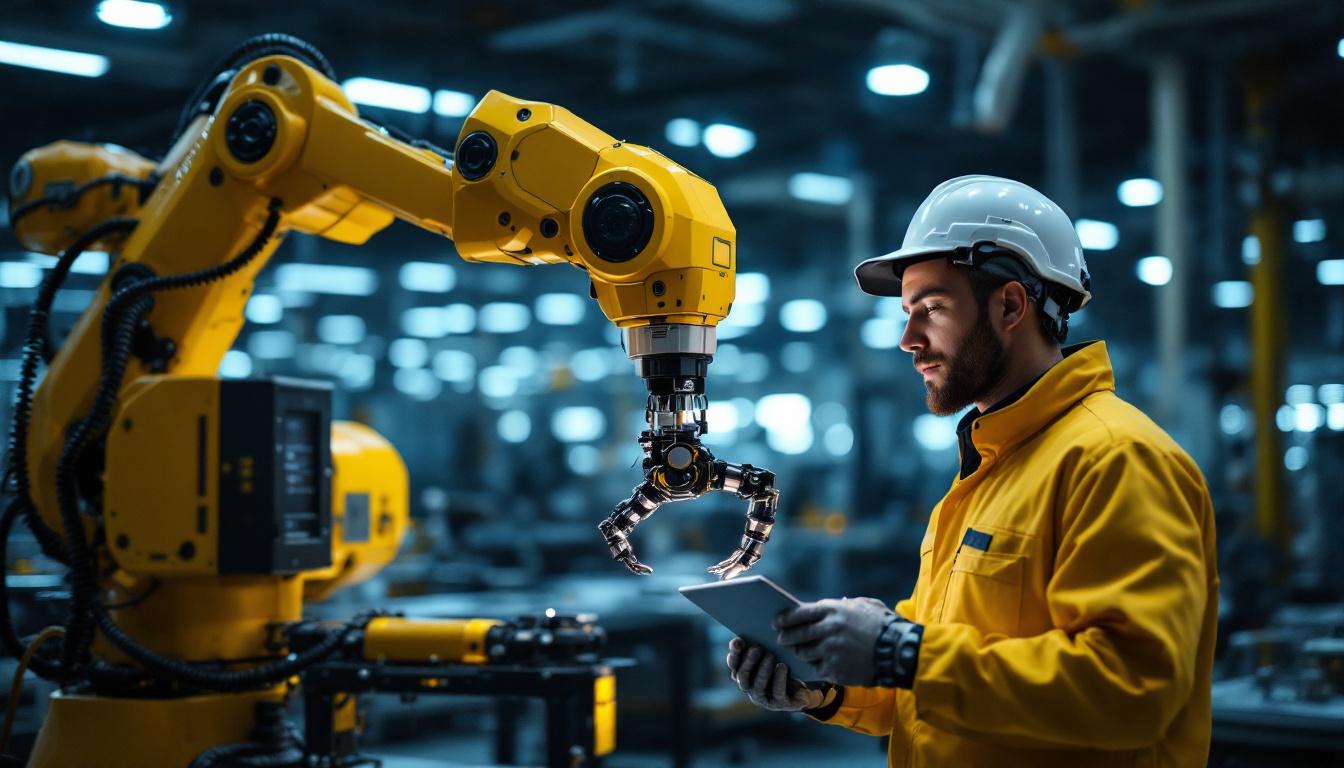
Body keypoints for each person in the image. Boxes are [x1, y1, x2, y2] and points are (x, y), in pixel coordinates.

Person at [726, 175, 1219, 767]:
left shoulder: (1115, 459)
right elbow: (937, 682)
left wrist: (899, 651)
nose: (908, 339)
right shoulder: (993, 464)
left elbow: (1132, 691)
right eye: (908, 312)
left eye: (932, 308)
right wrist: (823, 682)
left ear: (1009, 305)